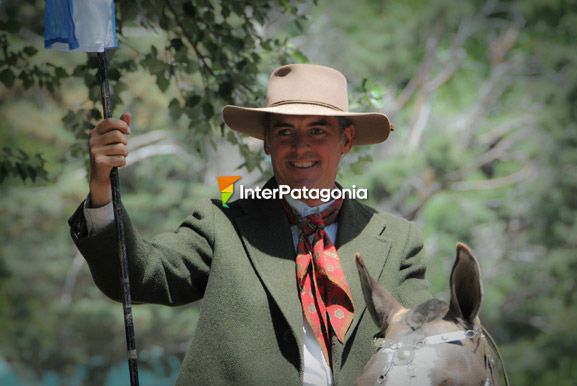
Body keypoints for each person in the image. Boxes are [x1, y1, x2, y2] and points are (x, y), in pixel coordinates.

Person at [68, 63, 431, 386]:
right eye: (285, 132)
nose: (300, 147)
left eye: (318, 131)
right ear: (267, 143)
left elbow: (429, 339)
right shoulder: (222, 223)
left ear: (346, 140)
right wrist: (102, 186)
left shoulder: (398, 240)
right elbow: (136, 276)